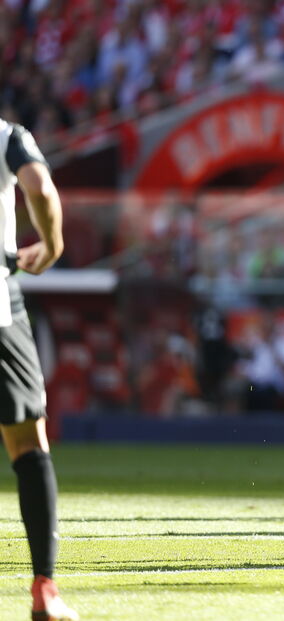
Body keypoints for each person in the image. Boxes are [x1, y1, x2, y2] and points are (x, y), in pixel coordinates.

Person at [0, 120, 78, 619]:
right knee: (28, 442)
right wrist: (51, 246)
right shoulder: (6, 136)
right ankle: (44, 590)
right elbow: (41, 188)